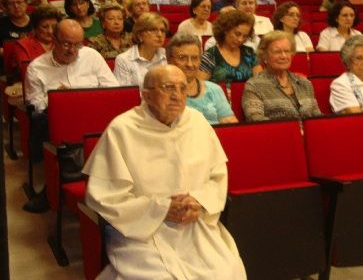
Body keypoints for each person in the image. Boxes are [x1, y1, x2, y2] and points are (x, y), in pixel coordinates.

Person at [82, 64, 246, 280]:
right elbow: (106, 195)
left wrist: (199, 201)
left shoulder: (196, 121)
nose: (177, 96)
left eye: (182, 88)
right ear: (146, 95)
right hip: (141, 228)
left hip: (192, 223)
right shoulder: (122, 129)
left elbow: (217, 175)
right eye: (168, 88)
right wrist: (160, 209)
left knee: (225, 270)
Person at [23, 19, 118, 213]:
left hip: (94, 115)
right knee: (54, 126)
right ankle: (66, 183)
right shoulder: (37, 68)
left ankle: (58, 186)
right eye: (67, 43)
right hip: (58, 122)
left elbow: (113, 89)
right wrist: (59, 100)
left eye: (78, 44)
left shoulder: (91, 56)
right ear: (53, 40)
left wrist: (80, 97)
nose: (72, 50)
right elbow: (35, 105)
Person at [243, 31, 321, 121]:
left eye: (287, 51)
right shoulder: (254, 86)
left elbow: (317, 117)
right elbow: (256, 120)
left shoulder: (305, 83)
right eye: (277, 52)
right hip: (276, 134)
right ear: (264, 56)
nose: (283, 56)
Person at [166, 32, 237, 124]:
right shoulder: (161, 91)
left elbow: (230, 124)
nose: (189, 64)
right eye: (182, 57)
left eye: (195, 58)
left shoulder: (214, 89)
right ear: (169, 59)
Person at [199, 9, 262, 83]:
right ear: (225, 30)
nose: (240, 40)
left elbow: (260, 82)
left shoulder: (249, 53)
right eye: (237, 34)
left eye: (245, 36)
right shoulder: (210, 55)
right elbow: (201, 86)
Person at [114, 12, 168, 86]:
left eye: (162, 30)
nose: (159, 35)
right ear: (140, 35)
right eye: (153, 30)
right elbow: (125, 93)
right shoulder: (124, 59)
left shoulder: (168, 55)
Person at [11, 4, 62, 73]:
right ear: (35, 28)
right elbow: (27, 72)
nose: (50, 31)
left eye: (54, 27)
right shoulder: (22, 46)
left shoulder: (62, 43)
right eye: (44, 27)